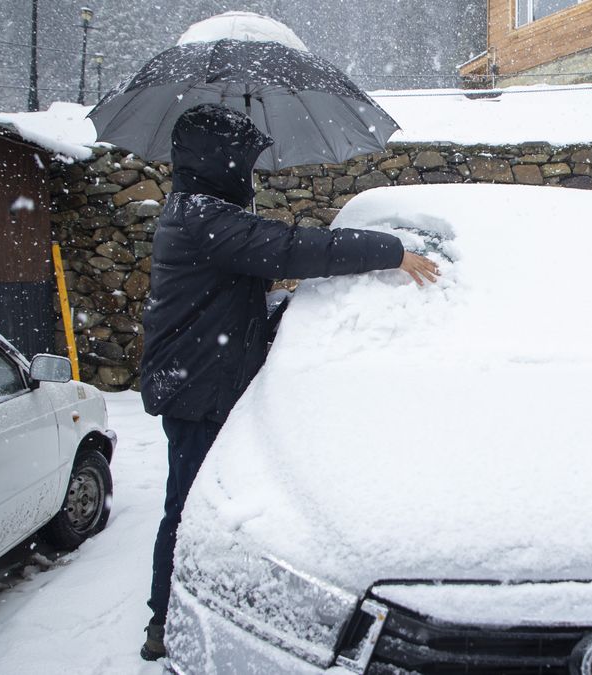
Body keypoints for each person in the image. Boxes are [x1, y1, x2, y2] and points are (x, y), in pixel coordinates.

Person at [138, 103, 437, 661]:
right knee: (190, 511)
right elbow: (294, 246)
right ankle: (167, 620)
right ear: (218, 162)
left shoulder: (199, 212)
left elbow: (234, 288)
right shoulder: (204, 217)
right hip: (199, 390)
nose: (248, 173)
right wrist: (391, 251)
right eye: (242, 162)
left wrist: (276, 306)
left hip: (202, 380)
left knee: (203, 506)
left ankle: (186, 606)